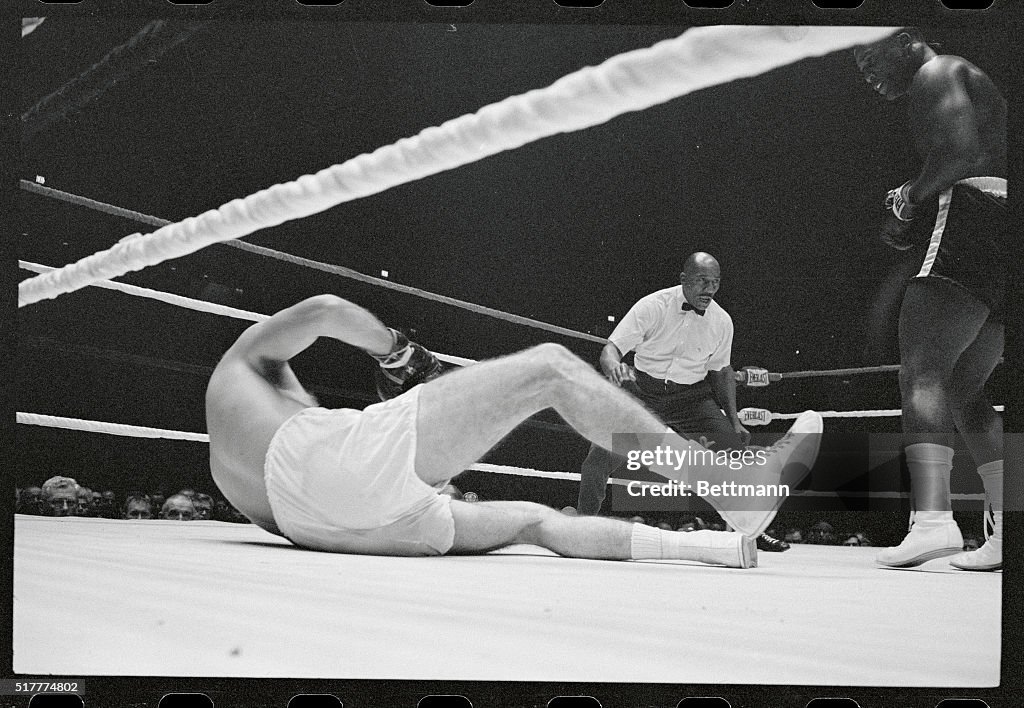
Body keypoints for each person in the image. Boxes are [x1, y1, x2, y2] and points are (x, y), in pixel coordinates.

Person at [205, 294, 822, 567]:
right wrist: (401, 355)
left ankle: (718, 547)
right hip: (336, 474)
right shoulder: (242, 360)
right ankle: (725, 489)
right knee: (550, 368)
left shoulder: (231, 440)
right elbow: (323, 312)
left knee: (533, 520)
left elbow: (302, 498)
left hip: (321, 528)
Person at [855, 29, 1007, 570]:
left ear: (905, 41)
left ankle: (934, 520)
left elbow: (961, 156)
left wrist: (907, 199)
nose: (867, 75)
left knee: (920, 371)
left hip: (971, 214)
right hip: (1004, 225)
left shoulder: (936, 71)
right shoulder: (967, 77)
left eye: (869, 58)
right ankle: (1008, 531)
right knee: (966, 390)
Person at [576, 253, 787, 553]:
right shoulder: (653, 306)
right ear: (683, 279)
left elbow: (721, 372)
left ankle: (755, 533)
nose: (710, 290)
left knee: (734, 454)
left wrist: (734, 420)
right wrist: (613, 367)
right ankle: (581, 528)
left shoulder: (721, 321)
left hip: (690, 398)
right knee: (600, 453)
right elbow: (612, 348)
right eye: (702, 281)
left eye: (715, 283)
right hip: (643, 392)